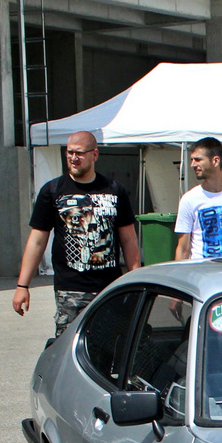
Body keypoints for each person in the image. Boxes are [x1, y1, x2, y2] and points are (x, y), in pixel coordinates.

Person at [13, 131, 141, 337]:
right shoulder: (53, 191)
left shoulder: (115, 190)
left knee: (109, 346)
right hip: (70, 289)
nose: (73, 158)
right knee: (70, 346)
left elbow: (128, 239)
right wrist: (22, 285)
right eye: (69, 153)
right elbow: (37, 240)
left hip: (109, 287)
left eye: (79, 153)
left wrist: (135, 279)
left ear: (95, 155)